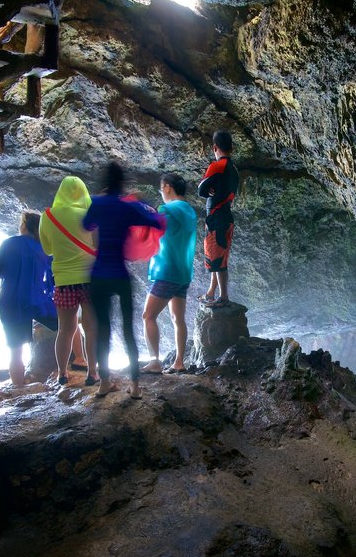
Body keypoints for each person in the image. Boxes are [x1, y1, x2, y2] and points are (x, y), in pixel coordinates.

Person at [82, 162, 164, 398]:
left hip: (98, 275)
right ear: (123, 182)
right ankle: (136, 386)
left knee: (102, 330)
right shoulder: (126, 207)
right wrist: (137, 202)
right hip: (120, 274)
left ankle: (104, 383)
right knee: (129, 330)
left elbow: (86, 225)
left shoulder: (97, 203)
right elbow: (158, 222)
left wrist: (98, 203)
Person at [39, 176, 100, 387]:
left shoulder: (48, 216)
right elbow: (97, 245)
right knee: (92, 327)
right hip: (90, 279)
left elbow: (47, 249)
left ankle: (62, 374)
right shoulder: (90, 215)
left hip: (64, 281)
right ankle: (93, 373)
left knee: (65, 328)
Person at [0, 211, 59, 387]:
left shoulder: (9, 243)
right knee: (66, 327)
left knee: (16, 351)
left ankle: (19, 387)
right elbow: (52, 277)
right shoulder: (44, 247)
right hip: (38, 300)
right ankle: (70, 367)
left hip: (10, 300)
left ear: (24, 226)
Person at [141, 173, 197, 375]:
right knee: (178, 319)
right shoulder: (190, 211)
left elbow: (150, 231)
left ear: (166, 187)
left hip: (166, 271)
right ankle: (179, 362)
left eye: (160, 189)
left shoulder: (167, 210)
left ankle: (154, 362)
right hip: (183, 273)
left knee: (148, 315)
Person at [197, 130, 239, 307]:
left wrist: (208, 190)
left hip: (216, 217)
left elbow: (201, 190)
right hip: (226, 215)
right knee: (216, 257)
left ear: (215, 147)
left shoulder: (218, 165)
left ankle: (223, 298)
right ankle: (211, 292)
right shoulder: (234, 169)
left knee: (217, 258)